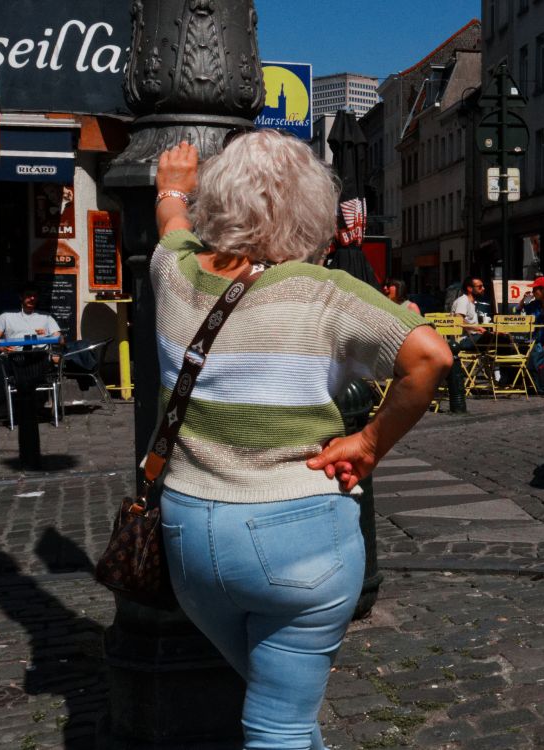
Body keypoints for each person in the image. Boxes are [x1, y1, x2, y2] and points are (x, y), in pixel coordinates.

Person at [151, 133, 452, 750]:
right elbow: (429, 356)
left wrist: (173, 183)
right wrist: (368, 443)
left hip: (189, 535)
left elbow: (172, 220)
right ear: (313, 209)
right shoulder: (325, 292)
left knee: (283, 709)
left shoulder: (173, 271)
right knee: (280, 724)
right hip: (298, 535)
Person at [0, 283, 63, 350]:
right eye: (28, 295)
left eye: (35, 296)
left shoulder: (46, 316)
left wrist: (48, 336)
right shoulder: (6, 316)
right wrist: (3, 348)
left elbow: (60, 339)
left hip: (40, 355)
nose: (32, 298)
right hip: (15, 355)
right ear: (21, 297)